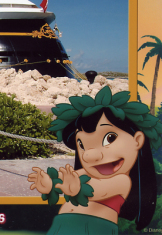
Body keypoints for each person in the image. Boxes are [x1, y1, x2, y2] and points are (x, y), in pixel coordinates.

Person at [27, 86, 158, 234]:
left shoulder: (122, 180)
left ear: (137, 140)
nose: (89, 155)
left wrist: (76, 188)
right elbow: (66, 180)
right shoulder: (85, 173)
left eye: (110, 138)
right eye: (82, 145)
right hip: (62, 225)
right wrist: (50, 184)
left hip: (95, 227)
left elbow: (97, 191)